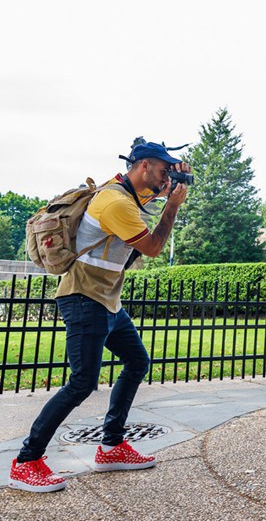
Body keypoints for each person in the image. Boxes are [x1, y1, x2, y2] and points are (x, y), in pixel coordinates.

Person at [9, 142, 191, 493]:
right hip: (83, 299)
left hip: (106, 301)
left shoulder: (125, 195)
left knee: (137, 361)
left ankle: (110, 447)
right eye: (163, 170)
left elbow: (139, 209)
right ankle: (26, 462)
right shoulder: (116, 202)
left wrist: (166, 190)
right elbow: (152, 248)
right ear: (143, 167)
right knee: (82, 382)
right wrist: (171, 206)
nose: (167, 176)